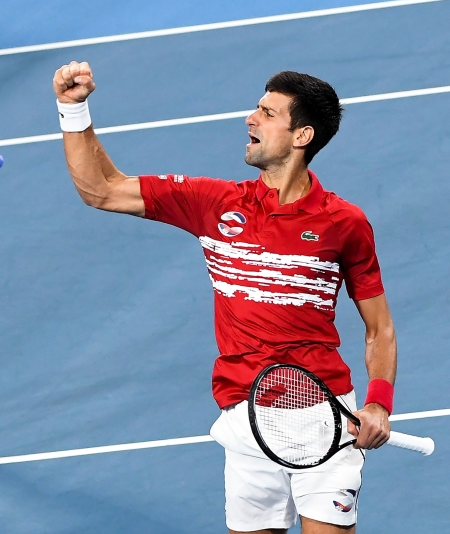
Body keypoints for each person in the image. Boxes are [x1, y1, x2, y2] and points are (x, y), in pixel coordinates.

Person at [52, 61, 396, 533]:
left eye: (267, 113)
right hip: (246, 418)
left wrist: (378, 402)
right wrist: (74, 110)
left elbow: (380, 326)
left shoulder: (344, 224)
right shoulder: (214, 204)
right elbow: (103, 190)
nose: (250, 119)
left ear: (302, 136)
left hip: (323, 419)